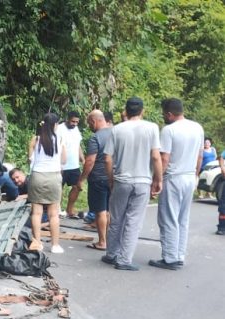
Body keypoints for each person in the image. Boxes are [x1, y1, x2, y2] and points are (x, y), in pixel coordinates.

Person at [102, 97, 162, 270]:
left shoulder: (117, 129)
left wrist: (111, 179)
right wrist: (158, 179)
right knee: (133, 221)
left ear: (125, 111)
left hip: (122, 180)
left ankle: (111, 254)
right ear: (143, 111)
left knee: (116, 218)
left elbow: (107, 159)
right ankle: (124, 260)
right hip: (143, 181)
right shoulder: (152, 128)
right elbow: (156, 156)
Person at [149, 98, 203, 270]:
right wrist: (195, 175)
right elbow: (200, 156)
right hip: (189, 177)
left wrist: (157, 179)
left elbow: (164, 158)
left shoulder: (169, 130)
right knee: (182, 218)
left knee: (168, 218)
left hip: (173, 177)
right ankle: (179, 255)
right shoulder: (197, 127)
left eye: (164, 114)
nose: (164, 117)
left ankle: (170, 258)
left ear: (170, 114)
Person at [28, 113, 67, 253]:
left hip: (37, 176)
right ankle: (55, 245)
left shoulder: (36, 139)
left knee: (37, 213)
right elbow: (64, 160)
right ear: (55, 125)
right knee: (53, 214)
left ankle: (37, 243)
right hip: (54, 177)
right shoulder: (60, 139)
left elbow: (30, 159)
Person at [75, 110, 112, 250]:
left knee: (100, 210)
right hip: (113, 177)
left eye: (90, 123)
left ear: (94, 121)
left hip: (98, 178)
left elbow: (90, 160)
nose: (90, 126)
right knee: (109, 210)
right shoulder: (116, 133)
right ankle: (110, 240)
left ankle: (102, 242)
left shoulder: (95, 138)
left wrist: (81, 179)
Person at [57, 110, 84, 217]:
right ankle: (57, 210)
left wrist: (83, 159)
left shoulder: (76, 129)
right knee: (59, 187)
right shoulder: (59, 129)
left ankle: (70, 209)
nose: (75, 124)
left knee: (78, 187)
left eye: (77, 122)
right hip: (61, 165)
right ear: (67, 119)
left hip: (74, 165)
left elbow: (78, 145)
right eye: (73, 121)